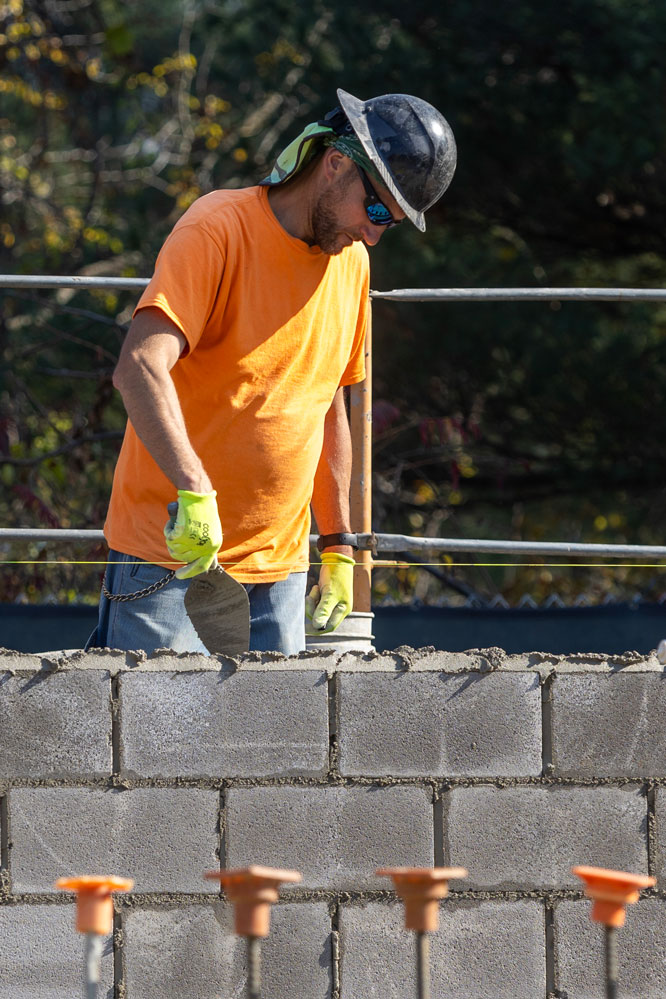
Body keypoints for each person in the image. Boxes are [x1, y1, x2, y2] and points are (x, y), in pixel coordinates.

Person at [88, 87, 457, 655]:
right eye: (378, 209)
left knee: (268, 747)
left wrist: (337, 544)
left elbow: (327, 404)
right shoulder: (218, 228)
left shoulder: (352, 264)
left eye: (395, 222)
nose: (376, 232)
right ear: (335, 164)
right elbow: (139, 367)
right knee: (154, 743)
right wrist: (193, 492)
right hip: (172, 557)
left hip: (280, 574)